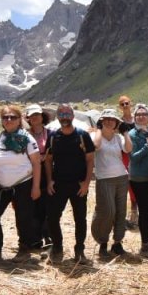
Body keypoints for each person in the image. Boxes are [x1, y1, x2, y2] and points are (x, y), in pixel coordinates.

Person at [0, 105, 43, 263]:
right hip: (1, 185)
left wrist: (36, 187)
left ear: (20, 120)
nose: (9, 120)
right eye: (5, 117)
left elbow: (37, 163)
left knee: (23, 218)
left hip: (23, 183)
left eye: (13, 117)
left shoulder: (27, 138)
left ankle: (24, 249)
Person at [44, 103, 95, 264]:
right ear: (57, 117)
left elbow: (90, 160)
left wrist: (86, 183)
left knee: (80, 218)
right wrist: (50, 180)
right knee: (53, 217)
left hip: (78, 185)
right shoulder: (53, 136)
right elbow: (48, 160)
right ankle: (57, 247)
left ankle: (79, 250)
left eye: (67, 114)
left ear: (73, 116)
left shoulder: (82, 135)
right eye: (61, 114)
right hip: (58, 183)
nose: (64, 117)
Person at [92, 108, 132, 258]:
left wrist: (125, 132)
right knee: (108, 211)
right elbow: (96, 146)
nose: (109, 121)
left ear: (116, 123)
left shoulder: (118, 138)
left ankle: (117, 242)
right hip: (104, 178)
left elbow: (128, 149)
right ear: (101, 121)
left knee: (121, 211)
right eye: (106, 119)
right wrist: (98, 129)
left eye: (112, 119)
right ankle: (102, 241)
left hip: (121, 177)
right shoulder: (96, 136)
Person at [127, 104, 148, 255]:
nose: (141, 117)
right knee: (144, 209)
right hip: (139, 178)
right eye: (138, 114)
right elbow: (133, 158)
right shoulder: (132, 134)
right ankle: (145, 242)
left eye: (144, 114)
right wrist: (147, 147)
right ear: (134, 117)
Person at [24, 104, 52, 250]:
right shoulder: (24, 134)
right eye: (32, 115)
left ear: (42, 116)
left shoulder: (51, 133)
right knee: (32, 206)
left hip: (47, 173)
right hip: (29, 174)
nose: (35, 118)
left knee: (47, 205)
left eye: (37, 115)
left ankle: (48, 236)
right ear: (28, 118)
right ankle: (34, 238)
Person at [117, 95, 140, 230]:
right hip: (124, 154)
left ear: (130, 104)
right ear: (120, 107)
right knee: (126, 180)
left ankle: (134, 214)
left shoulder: (136, 119)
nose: (125, 106)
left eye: (127, 103)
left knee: (134, 180)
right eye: (122, 104)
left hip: (135, 153)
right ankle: (127, 215)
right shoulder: (119, 121)